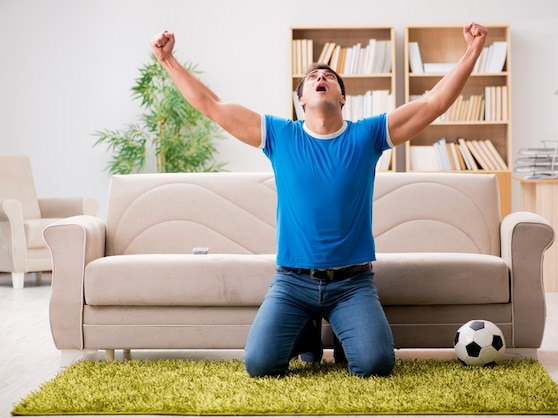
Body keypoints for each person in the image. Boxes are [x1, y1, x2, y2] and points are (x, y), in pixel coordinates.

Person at [150, 22, 488, 377]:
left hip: (352, 283)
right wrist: (168, 59)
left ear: (342, 98)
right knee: (259, 365)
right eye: (312, 77)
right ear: (301, 100)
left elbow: (433, 103)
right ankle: (308, 330)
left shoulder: (367, 135)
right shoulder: (279, 135)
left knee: (376, 364)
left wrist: (472, 51)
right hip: (292, 283)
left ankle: (341, 333)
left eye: (328, 75)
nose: (320, 77)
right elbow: (213, 105)